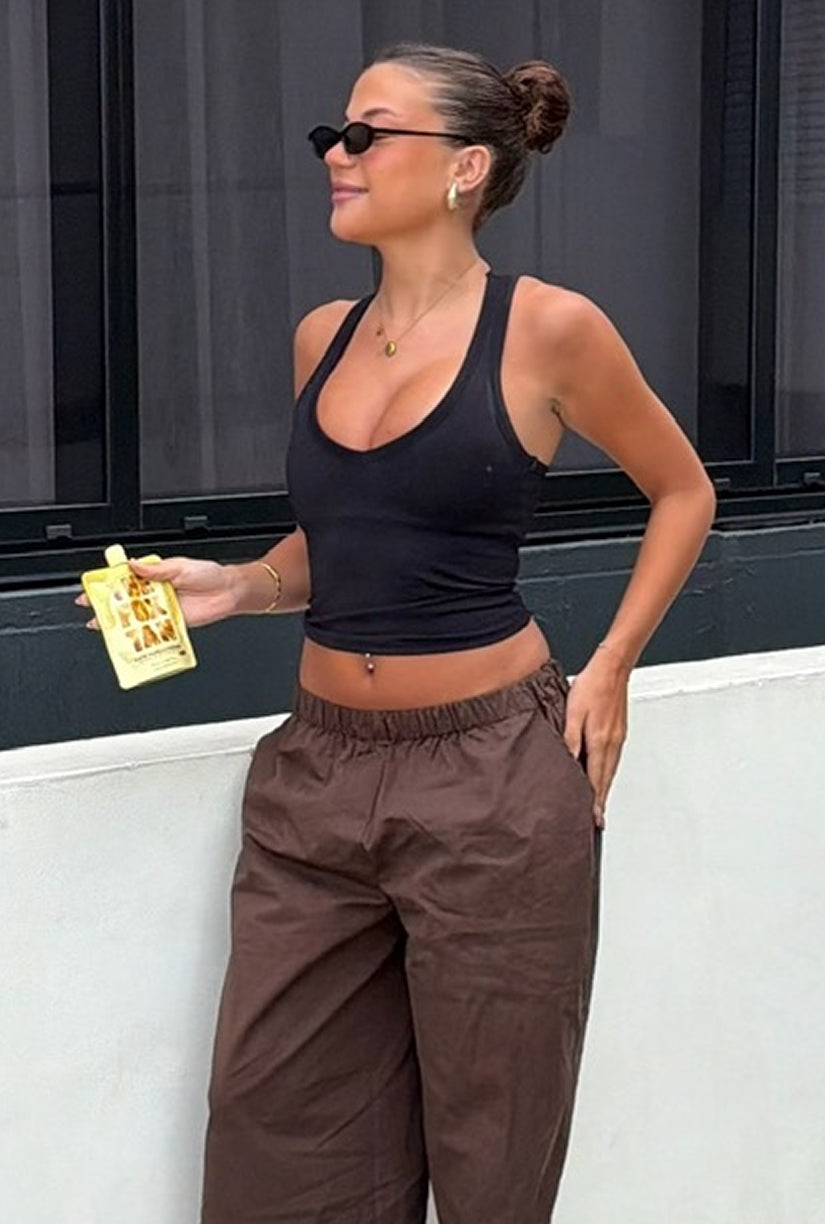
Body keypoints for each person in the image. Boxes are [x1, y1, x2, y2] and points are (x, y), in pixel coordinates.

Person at [79, 41, 716, 1224]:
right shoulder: (322, 336)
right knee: (275, 1136)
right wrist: (239, 586)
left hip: (493, 784)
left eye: (369, 133)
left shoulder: (549, 328)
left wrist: (614, 666)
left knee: (492, 1146)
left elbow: (684, 490)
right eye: (334, 133)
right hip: (316, 776)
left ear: (466, 166)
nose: (338, 152)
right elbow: (348, 537)